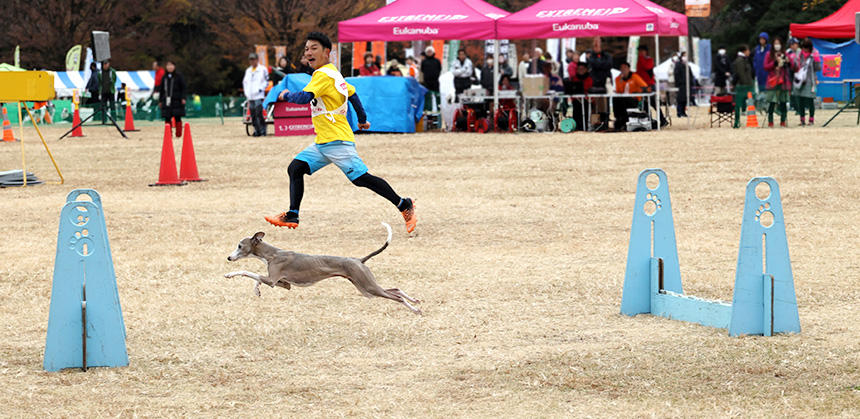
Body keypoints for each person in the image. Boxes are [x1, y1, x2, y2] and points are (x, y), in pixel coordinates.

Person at [267, 32, 416, 233]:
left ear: (327, 52)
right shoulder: (333, 74)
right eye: (306, 49)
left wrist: (285, 95)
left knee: (361, 179)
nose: (308, 53)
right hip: (324, 142)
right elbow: (352, 94)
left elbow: (303, 98)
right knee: (295, 168)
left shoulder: (322, 75)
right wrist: (362, 120)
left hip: (336, 141)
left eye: (313, 48)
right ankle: (293, 214)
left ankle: (404, 204)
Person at [791, 38, 821, 126]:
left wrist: (816, 60)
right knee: (800, 101)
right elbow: (794, 67)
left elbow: (818, 68)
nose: (805, 49)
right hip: (800, 81)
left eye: (807, 48)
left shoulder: (814, 54)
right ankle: (802, 120)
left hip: (810, 81)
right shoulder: (799, 54)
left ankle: (811, 120)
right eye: (804, 47)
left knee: (810, 100)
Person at [635, 44, 666, 127]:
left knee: (654, 103)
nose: (640, 53)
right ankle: (648, 119)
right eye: (639, 51)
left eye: (642, 51)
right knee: (644, 104)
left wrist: (641, 58)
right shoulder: (639, 60)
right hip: (641, 85)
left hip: (649, 85)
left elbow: (647, 67)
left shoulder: (649, 60)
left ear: (646, 52)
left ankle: (662, 119)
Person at [763, 37, 791, 128]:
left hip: (783, 80)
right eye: (775, 43)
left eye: (778, 43)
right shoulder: (768, 54)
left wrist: (787, 62)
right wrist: (774, 63)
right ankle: (770, 121)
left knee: (783, 101)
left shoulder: (785, 53)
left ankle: (783, 121)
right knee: (772, 101)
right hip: (773, 80)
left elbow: (791, 66)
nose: (777, 45)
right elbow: (765, 66)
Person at [613, 62, 648, 131]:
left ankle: (624, 120)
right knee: (616, 99)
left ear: (629, 69)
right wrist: (621, 81)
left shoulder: (635, 77)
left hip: (634, 99)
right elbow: (619, 91)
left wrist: (637, 92)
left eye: (625, 68)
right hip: (623, 99)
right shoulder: (618, 79)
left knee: (623, 100)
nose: (623, 70)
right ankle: (618, 118)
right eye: (621, 68)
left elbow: (644, 87)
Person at [158, 60, 187, 137]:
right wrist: (160, 100)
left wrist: (183, 97)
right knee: (167, 117)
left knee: (177, 117)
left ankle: (178, 133)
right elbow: (161, 90)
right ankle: (168, 134)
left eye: (171, 65)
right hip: (166, 100)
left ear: (174, 66)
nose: (170, 67)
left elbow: (183, 88)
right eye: (168, 65)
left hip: (177, 100)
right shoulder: (164, 77)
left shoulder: (179, 76)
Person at [243, 52, 269, 137]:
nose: (252, 62)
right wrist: (246, 92)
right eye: (250, 60)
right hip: (250, 96)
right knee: (253, 114)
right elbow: (245, 82)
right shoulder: (248, 70)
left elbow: (266, 81)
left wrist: (261, 89)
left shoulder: (263, 69)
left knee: (259, 113)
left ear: (257, 60)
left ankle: (263, 130)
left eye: (253, 59)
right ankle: (256, 130)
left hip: (258, 95)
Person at [732, 45, 755, 128]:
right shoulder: (740, 61)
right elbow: (741, 74)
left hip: (745, 85)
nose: (749, 52)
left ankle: (738, 122)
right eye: (748, 50)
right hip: (742, 86)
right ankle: (736, 122)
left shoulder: (745, 60)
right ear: (744, 51)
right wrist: (747, 84)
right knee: (738, 105)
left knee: (742, 104)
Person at [566, 62, 592, 131]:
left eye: (582, 69)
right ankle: (576, 126)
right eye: (579, 69)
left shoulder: (589, 79)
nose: (581, 70)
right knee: (576, 106)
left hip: (587, 100)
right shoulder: (573, 79)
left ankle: (586, 126)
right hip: (576, 100)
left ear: (586, 69)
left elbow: (590, 89)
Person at [673, 53, 696, 117]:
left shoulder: (688, 65)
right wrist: (679, 83)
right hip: (681, 85)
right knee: (680, 99)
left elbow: (691, 75)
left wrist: (691, 82)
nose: (685, 57)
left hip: (687, 85)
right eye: (684, 56)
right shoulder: (678, 65)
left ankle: (683, 112)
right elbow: (676, 75)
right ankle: (679, 112)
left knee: (685, 99)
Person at [420, 46, 441, 111]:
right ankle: (427, 110)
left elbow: (439, 69)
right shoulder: (424, 61)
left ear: (433, 52)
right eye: (428, 52)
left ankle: (439, 109)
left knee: (437, 96)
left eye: (430, 51)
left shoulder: (437, 61)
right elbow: (422, 70)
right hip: (427, 82)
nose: (429, 53)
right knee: (427, 97)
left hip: (435, 82)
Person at [786, 38, 802, 117]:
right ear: (791, 45)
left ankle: (798, 108)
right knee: (793, 91)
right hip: (790, 74)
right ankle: (796, 108)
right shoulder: (788, 52)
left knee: (797, 91)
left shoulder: (799, 52)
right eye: (795, 44)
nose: (797, 45)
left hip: (798, 74)